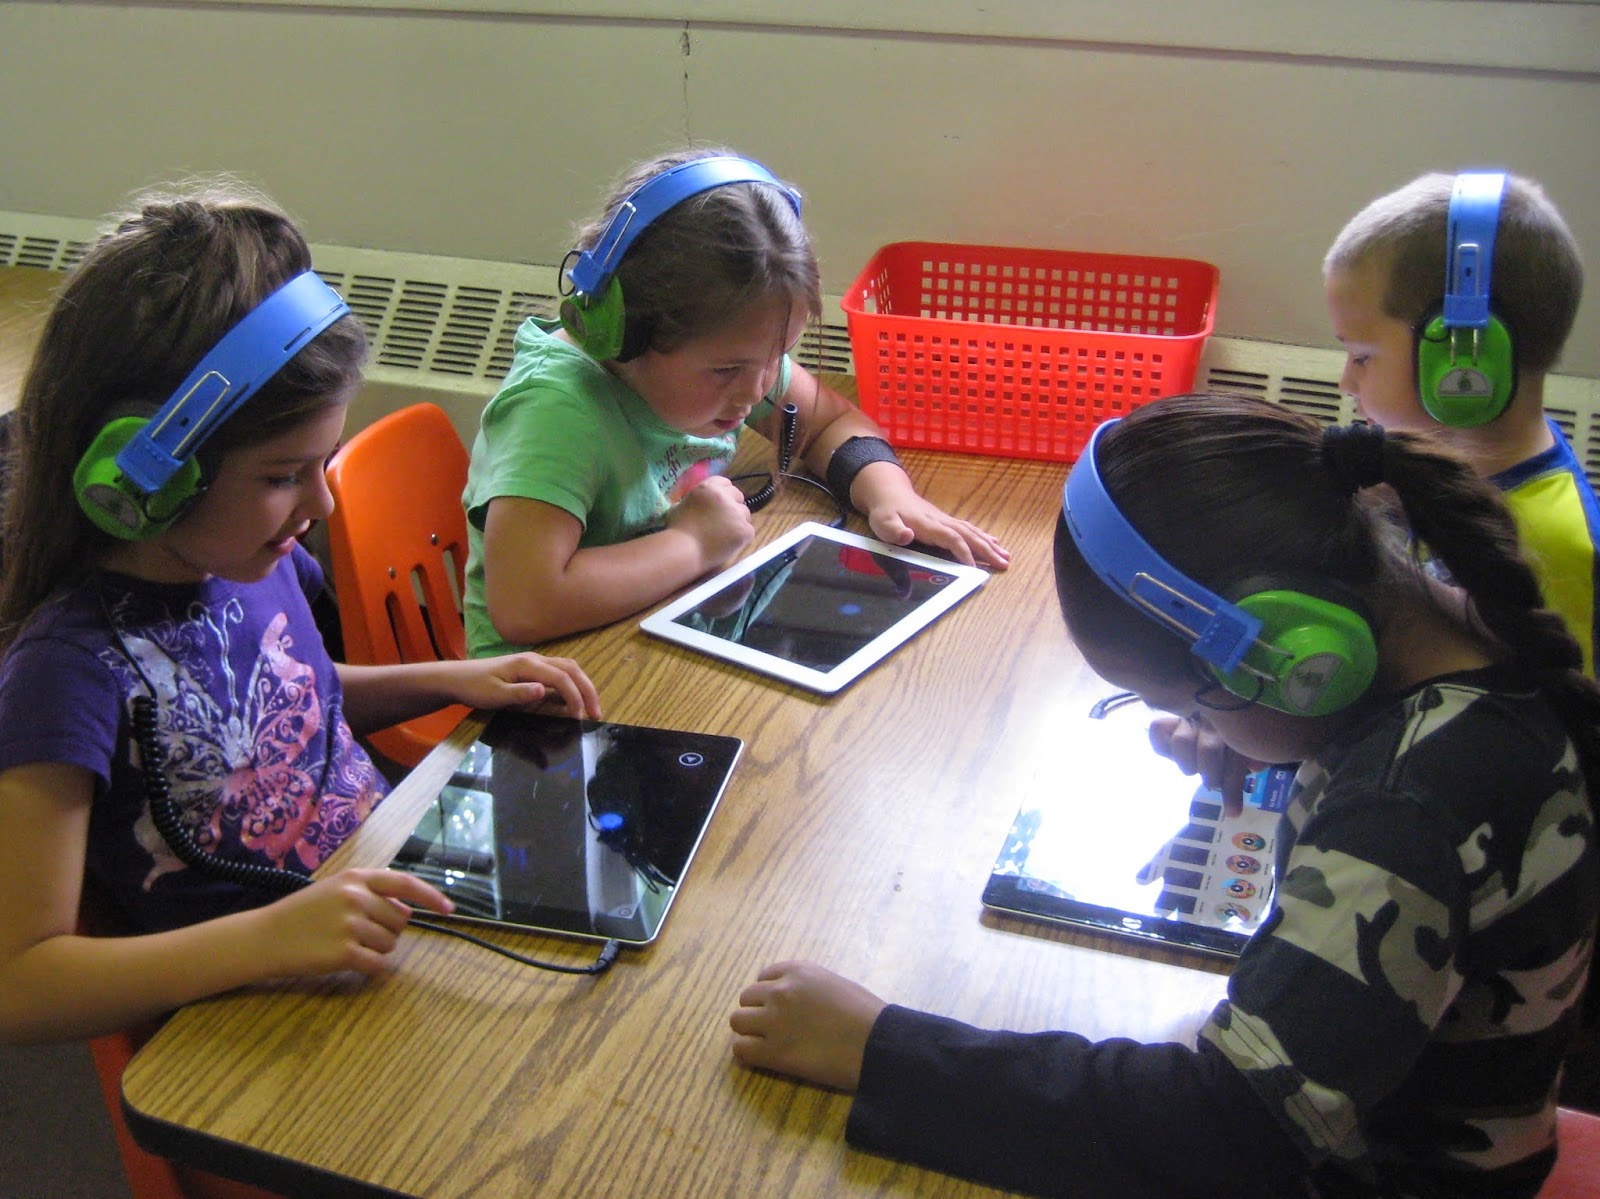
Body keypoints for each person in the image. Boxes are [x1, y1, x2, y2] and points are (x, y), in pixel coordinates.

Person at [730, 393, 1600, 1198]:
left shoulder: (1408, 806)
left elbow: (1221, 1134)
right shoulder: (1455, 632)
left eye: (1187, 700)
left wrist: (884, 1048)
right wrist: (1276, 752)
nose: (1197, 724)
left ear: (1297, 665)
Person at [0, 180, 602, 1044]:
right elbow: (21, 979)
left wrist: (455, 679)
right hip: (261, 1013)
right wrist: (269, 940)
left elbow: (295, 692)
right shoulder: (64, 671)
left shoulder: (246, 551)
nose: (320, 505)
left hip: (372, 902)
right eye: (284, 475)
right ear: (146, 476)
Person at [463, 147, 1010, 654]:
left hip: (651, 622)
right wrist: (694, 546)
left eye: (777, 358)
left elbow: (826, 425)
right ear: (624, 331)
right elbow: (525, 605)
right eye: (728, 370)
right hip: (547, 685)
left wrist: (888, 493)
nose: (756, 390)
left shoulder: (734, 352)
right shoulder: (557, 412)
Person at [1324, 169, 1597, 674]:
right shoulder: (1451, 465)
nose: (1346, 381)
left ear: (1465, 362)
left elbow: (1561, 731)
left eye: (1362, 356)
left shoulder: (1548, 544)